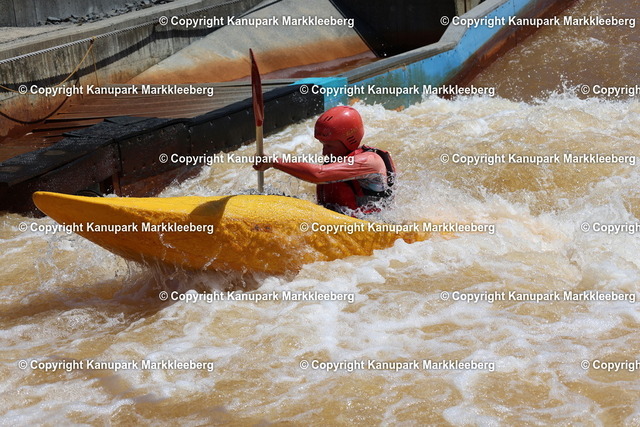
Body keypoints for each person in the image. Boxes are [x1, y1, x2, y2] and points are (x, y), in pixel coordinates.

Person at [253, 105, 396, 216]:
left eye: (329, 145)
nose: (324, 152)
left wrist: (274, 162)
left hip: (371, 225)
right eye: (323, 145)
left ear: (349, 141)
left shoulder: (369, 161)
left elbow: (318, 174)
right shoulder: (340, 159)